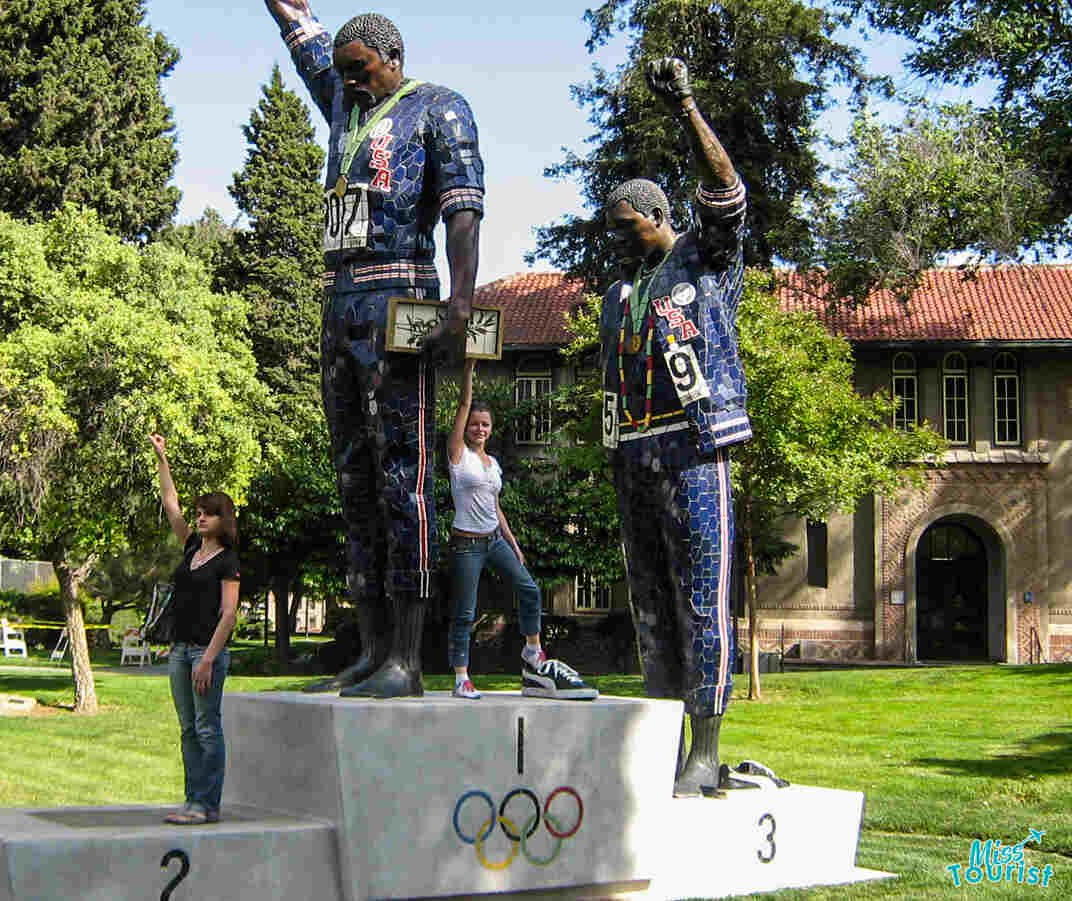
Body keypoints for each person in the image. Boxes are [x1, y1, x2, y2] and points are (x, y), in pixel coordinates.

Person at [264, 0, 485, 698]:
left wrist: (460, 301)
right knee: (353, 476)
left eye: (360, 72)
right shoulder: (343, 103)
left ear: (393, 60)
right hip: (338, 300)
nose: (349, 84)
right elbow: (303, 35)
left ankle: (409, 659)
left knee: (404, 476)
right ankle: (369, 645)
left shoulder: (439, 109)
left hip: (402, 294)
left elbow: (463, 210)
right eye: (343, 74)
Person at [598, 58, 751, 795]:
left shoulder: (705, 259)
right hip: (634, 453)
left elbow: (725, 192)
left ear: (659, 218)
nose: (619, 243)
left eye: (627, 229)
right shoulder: (618, 293)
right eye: (612, 233)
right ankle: (661, 737)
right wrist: (612, 450)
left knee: (700, 598)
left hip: (694, 449)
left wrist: (687, 104)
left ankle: (705, 746)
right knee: (650, 605)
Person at [446, 358, 596, 701]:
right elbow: (464, 404)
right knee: (466, 612)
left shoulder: (492, 464)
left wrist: (513, 544)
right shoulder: (458, 456)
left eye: (485, 425)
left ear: (491, 429)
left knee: (530, 589)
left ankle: (532, 651)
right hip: (467, 544)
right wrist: (468, 373)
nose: (479, 429)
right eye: (474, 424)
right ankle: (461, 678)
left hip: (495, 539)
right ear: (465, 428)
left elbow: (495, 507)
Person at [150, 434, 241, 824]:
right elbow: (170, 504)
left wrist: (208, 658)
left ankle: (208, 804)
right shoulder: (190, 549)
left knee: (207, 727)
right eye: (199, 512)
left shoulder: (227, 561)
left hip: (207, 653)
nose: (200, 517)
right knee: (188, 728)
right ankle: (192, 801)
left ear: (224, 520)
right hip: (180, 650)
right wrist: (162, 458)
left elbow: (229, 614)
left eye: (209, 513)